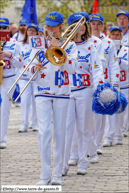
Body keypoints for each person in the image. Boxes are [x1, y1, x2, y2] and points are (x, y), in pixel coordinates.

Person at [27, 11, 78, 185]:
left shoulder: (70, 45)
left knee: (60, 133)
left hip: (62, 93)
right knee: (44, 133)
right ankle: (44, 174)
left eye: (53, 26)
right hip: (42, 90)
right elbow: (27, 67)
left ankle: (57, 173)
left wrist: (59, 49)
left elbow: (73, 69)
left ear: (61, 26)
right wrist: (34, 69)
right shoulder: (37, 43)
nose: (50, 29)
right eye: (47, 25)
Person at [62, 13, 104, 176]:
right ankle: (64, 163)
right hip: (67, 91)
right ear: (70, 27)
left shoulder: (91, 45)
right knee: (66, 128)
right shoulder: (64, 45)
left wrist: (99, 85)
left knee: (84, 128)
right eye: (76, 24)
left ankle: (83, 161)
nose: (81, 26)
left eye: (83, 23)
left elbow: (97, 67)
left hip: (85, 90)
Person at [89, 14, 120, 152]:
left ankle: (98, 145)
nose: (95, 26)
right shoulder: (84, 41)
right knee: (87, 117)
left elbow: (113, 64)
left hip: (103, 83)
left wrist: (116, 83)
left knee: (100, 116)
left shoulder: (108, 42)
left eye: (98, 24)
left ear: (102, 26)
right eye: (93, 23)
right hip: (87, 84)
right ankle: (87, 145)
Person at [0, 17, 23, 149]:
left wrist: (10, 56)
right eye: (0, 28)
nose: (2, 30)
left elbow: (20, 64)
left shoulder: (15, 43)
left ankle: (2, 138)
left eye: (4, 28)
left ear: (8, 29)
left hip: (9, 78)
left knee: (4, 109)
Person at [103, 25, 128, 140]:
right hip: (110, 83)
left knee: (122, 111)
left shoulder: (126, 50)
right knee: (110, 111)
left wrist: (120, 61)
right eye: (113, 34)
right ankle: (109, 136)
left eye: (117, 34)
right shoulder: (105, 49)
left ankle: (119, 134)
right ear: (109, 35)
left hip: (124, 84)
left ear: (121, 36)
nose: (115, 36)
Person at [18, 23, 38, 133]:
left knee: (35, 101)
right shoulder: (20, 45)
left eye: (33, 30)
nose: (31, 32)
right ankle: (23, 124)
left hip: (36, 77)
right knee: (25, 101)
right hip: (24, 77)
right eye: (29, 30)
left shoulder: (39, 45)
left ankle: (34, 123)